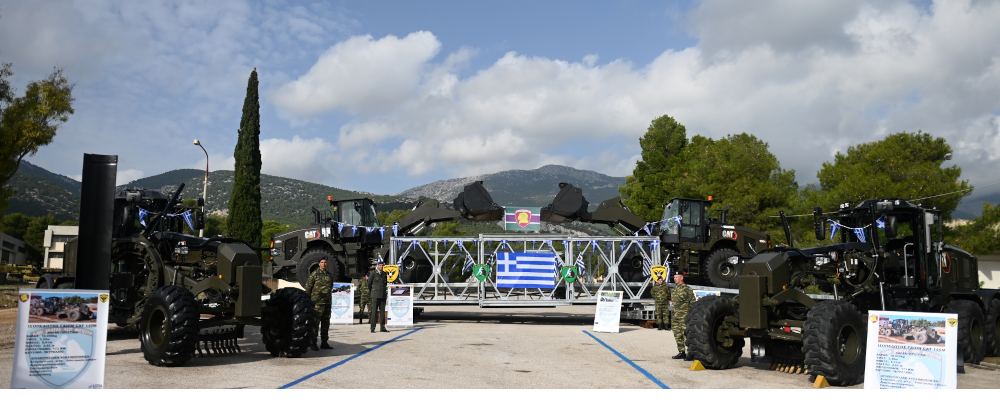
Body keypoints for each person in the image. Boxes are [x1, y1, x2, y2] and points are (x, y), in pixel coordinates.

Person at [304, 256, 334, 350]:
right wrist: (309, 302)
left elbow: (330, 288)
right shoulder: (314, 274)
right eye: (322, 262)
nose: (324, 264)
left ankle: (324, 342)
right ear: (319, 264)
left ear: (327, 263)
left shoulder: (329, 275)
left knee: (325, 324)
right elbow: (308, 288)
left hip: (327, 303)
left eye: (325, 262)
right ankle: (313, 343)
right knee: (315, 324)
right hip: (317, 304)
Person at [670, 272, 695, 360]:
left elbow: (692, 303)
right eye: (674, 277)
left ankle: (690, 353)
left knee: (686, 335)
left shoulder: (687, 289)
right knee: (677, 334)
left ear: (681, 278)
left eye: (676, 277)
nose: (675, 278)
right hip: (676, 316)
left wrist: (691, 316)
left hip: (685, 316)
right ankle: (681, 352)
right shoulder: (674, 290)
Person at [367, 261, 389, 333]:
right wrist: (372, 292)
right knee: (374, 312)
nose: (381, 267)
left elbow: (385, 284)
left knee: (382, 312)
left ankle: (382, 327)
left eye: (382, 265)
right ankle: (372, 328)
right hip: (375, 295)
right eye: (380, 265)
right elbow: (369, 284)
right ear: (377, 266)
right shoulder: (373, 273)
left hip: (382, 295)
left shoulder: (384, 274)